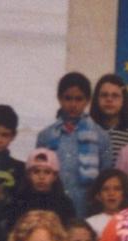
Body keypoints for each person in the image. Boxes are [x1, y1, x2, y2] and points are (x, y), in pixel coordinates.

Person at [36, 72, 113, 216]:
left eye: (79, 99)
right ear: (59, 98)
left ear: (88, 100)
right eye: (68, 98)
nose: (73, 104)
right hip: (52, 208)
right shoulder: (46, 136)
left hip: (86, 210)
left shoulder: (101, 137)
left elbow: (105, 178)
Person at [6, 148, 75, 228]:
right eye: (36, 172)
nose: (41, 177)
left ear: (55, 176)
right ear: (28, 174)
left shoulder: (64, 203)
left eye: (47, 172)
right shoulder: (18, 202)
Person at [91, 74, 128, 163]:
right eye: (104, 95)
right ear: (96, 99)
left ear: (123, 100)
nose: (109, 99)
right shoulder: (87, 131)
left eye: (115, 96)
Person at [85, 168, 128, 238]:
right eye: (105, 189)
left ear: (124, 193)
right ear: (98, 195)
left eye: (117, 189)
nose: (111, 193)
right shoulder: (90, 224)